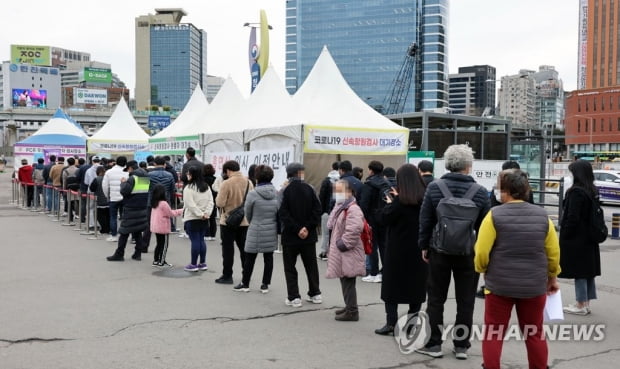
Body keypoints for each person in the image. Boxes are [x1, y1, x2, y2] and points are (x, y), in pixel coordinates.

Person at [474, 169, 560, 369]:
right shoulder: (543, 216)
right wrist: (552, 277)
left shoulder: (493, 215)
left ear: (505, 192)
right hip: (534, 285)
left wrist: (482, 269)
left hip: (499, 284)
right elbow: (553, 253)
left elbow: (481, 252)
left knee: (494, 332)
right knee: (534, 332)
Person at [416, 144, 490, 360]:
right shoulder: (480, 192)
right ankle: (461, 345)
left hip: (439, 250)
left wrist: (423, 246)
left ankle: (434, 343)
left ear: (448, 164)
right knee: (466, 300)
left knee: (436, 298)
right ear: (468, 165)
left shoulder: (435, 188)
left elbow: (426, 220)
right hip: (469, 252)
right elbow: (486, 226)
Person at [375, 164, 428, 335]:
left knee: (392, 287)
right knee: (416, 288)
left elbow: (383, 219)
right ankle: (411, 324)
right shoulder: (425, 199)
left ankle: (391, 323)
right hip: (420, 249)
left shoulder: (399, 201)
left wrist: (389, 204)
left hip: (397, 250)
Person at [559, 159, 602, 315]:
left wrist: (565, 235)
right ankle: (586, 303)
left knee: (580, 272)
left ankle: (580, 304)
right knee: (587, 271)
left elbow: (572, 218)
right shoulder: (592, 190)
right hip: (590, 237)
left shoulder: (577, 192)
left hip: (577, 238)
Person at [279, 163, 323, 308]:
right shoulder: (310, 189)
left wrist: (297, 229)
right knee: (311, 265)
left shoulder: (284, 190)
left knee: (290, 267)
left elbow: (283, 213)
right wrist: (307, 228)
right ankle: (315, 293)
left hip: (290, 235)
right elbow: (317, 210)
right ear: (299, 173)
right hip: (309, 236)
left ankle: (294, 297)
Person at [234, 165, 279, 293]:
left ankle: (245, 283)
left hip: (255, 227)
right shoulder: (276, 193)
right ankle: (265, 285)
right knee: (268, 257)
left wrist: (254, 222)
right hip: (271, 228)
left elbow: (247, 213)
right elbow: (278, 211)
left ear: (257, 177)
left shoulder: (253, 194)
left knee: (250, 257)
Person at [326, 180, 366, 321]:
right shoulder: (342, 207)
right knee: (345, 279)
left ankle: (352, 311)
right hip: (344, 250)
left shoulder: (353, 208)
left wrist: (343, 244)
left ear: (349, 191)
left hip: (348, 250)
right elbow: (331, 224)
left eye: (340, 190)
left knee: (348, 279)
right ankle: (349, 306)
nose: (337, 194)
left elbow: (355, 229)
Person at [214, 160, 253, 284]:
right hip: (244, 221)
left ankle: (227, 275)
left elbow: (219, 203)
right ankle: (245, 276)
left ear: (228, 170)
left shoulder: (226, 183)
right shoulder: (249, 182)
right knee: (244, 250)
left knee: (228, 250)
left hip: (228, 221)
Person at [106, 160, 150, 262]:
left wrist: (123, 183)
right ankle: (137, 253)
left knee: (124, 231)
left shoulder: (132, 178)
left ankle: (119, 253)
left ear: (130, 168)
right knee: (137, 230)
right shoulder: (145, 177)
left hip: (131, 207)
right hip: (142, 206)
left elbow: (124, 191)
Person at [359, 160, 391, 283]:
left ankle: (374, 273)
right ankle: (385, 272)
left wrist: (364, 219)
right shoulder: (386, 183)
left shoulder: (368, 184)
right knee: (384, 245)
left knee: (371, 246)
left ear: (370, 170)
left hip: (371, 219)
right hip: (384, 218)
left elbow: (364, 204)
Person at [182, 166, 214, 272]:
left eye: (188, 173)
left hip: (192, 218)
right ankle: (202, 263)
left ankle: (193, 264)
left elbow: (189, 204)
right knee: (201, 240)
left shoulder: (188, 188)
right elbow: (211, 202)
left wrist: (200, 214)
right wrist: (206, 214)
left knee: (195, 241)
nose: (187, 175)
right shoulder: (206, 186)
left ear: (191, 175)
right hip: (204, 218)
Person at [143, 156, 176, 250]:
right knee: (164, 223)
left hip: (151, 202)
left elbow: (141, 187)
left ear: (154, 164)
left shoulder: (149, 174)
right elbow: (172, 189)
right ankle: (162, 246)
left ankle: (144, 246)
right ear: (165, 164)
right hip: (165, 202)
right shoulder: (170, 175)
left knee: (149, 223)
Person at [150, 184, 183, 267]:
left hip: (156, 226)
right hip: (163, 227)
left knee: (158, 244)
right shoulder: (163, 203)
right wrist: (181, 210)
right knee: (164, 245)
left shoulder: (154, 202)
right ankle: (162, 262)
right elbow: (170, 213)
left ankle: (156, 260)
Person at [102, 156, 129, 242]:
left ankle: (114, 235)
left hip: (113, 197)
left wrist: (107, 196)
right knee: (125, 217)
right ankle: (125, 235)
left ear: (116, 162)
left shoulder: (109, 172)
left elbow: (105, 186)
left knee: (113, 217)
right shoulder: (127, 172)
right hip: (125, 197)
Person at [318, 161, 340, 260]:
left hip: (327, 211)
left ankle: (324, 252)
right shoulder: (342, 180)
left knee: (325, 233)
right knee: (337, 233)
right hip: (339, 211)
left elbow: (321, 197)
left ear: (332, 167)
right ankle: (334, 253)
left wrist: (322, 211)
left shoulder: (326, 181)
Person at [89, 166, 110, 234]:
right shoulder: (108, 179)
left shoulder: (96, 179)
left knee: (100, 215)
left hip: (99, 200)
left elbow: (92, 188)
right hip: (109, 200)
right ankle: (108, 229)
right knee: (108, 215)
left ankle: (104, 229)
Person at [203, 164, 219, 241]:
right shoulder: (215, 179)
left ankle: (207, 234)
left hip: (205, 200)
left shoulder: (202, 180)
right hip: (214, 199)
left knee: (206, 217)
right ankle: (213, 235)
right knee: (213, 218)